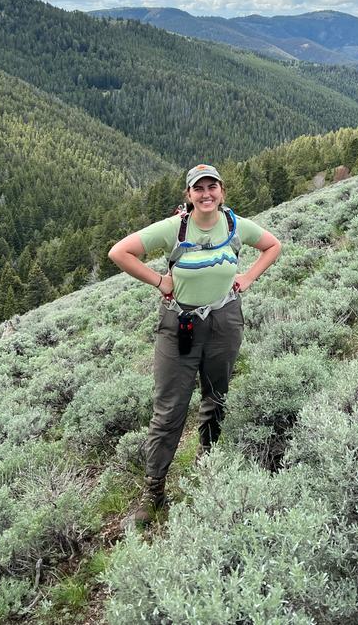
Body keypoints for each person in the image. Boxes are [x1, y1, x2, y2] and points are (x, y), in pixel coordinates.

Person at [108, 163, 281, 523]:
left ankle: (208, 459)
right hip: (180, 323)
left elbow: (272, 245)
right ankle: (154, 490)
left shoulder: (234, 225)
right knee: (170, 408)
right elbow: (119, 252)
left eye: (212, 187)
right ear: (188, 196)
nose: (206, 194)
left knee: (217, 396)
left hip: (224, 320)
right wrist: (160, 281)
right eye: (198, 189)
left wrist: (247, 278)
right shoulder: (176, 228)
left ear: (222, 191)